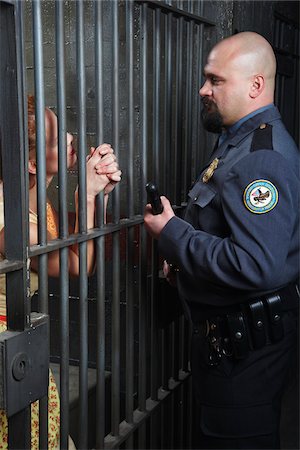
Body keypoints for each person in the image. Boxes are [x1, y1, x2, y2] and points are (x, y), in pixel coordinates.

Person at [144, 31, 299, 449]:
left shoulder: (260, 157)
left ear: (255, 86)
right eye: (205, 78)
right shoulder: (237, 142)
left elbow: (255, 264)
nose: (202, 89)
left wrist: (172, 234)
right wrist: (184, 262)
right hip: (231, 347)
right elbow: (227, 230)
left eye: (215, 80)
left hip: (245, 355)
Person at [0, 95, 121, 448]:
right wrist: (86, 198)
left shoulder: (33, 197)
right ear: (33, 162)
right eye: (57, 138)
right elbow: (78, 266)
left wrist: (99, 195)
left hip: (14, 340)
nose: (71, 138)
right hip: (7, 349)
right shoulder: (14, 224)